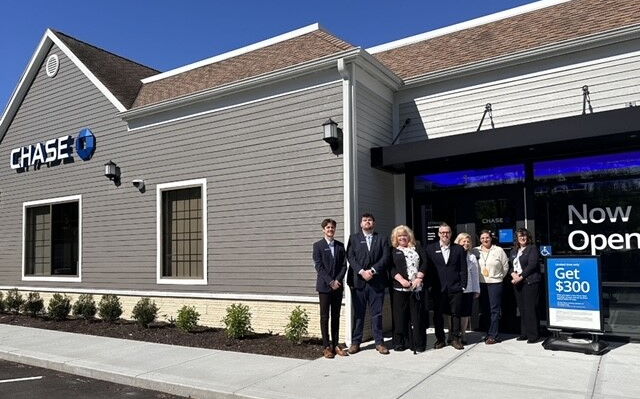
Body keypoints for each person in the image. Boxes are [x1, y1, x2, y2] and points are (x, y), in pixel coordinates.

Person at [347, 213, 390, 355]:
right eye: (364, 220)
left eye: (370, 220)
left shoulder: (382, 238)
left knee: (377, 314)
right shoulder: (354, 238)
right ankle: (355, 343)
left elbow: (386, 257)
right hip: (359, 282)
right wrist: (361, 271)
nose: (367, 222)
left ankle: (379, 342)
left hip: (376, 282)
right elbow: (350, 257)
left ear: (374, 223)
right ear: (361, 224)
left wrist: (372, 270)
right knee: (359, 313)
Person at [425, 223, 468, 350]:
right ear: (438, 234)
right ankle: (440, 339)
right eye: (442, 232)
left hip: (455, 288)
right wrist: (428, 286)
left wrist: (463, 285)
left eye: (447, 232)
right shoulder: (430, 249)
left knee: (456, 314)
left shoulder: (458, 249)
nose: (445, 234)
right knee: (438, 315)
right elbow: (428, 269)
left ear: (451, 234)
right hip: (438, 288)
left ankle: (455, 339)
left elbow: (463, 269)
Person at [313, 218, 348, 358]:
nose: (330, 229)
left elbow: (344, 265)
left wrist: (337, 280)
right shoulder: (318, 246)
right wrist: (330, 281)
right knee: (324, 316)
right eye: (328, 227)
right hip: (324, 287)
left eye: (332, 227)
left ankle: (335, 345)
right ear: (323, 230)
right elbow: (319, 266)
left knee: (335, 316)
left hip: (337, 287)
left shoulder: (340, 246)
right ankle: (326, 346)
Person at [390, 225, 426, 352]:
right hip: (400, 289)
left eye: (404, 235)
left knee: (416, 317)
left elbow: (424, 262)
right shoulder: (393, 250)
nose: (402, 238)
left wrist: (419, 278)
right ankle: (400, 343)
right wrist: (402, 280)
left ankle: (418, 344)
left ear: (409, 236)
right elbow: (391, 268)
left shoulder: (417, 247)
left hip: (416, 288)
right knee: (400, 317)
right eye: (399, 236)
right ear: (396, 238)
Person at [476, 230, 509, 345]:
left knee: (494, 310)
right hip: (481, 283)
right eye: (482, 238)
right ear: (480, 239)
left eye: (487, 238)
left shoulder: (498, 250)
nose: (485, 240)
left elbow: (505, 266)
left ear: (491, 238)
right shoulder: (476, 250)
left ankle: (493, 335)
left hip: (495, 283)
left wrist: (497, 277)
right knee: (485, 310)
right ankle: (487, 333)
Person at [510, 227, 541, 343]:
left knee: (530, 309)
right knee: (522, 309)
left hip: (530, 282)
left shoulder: (532, 249)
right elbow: (510, 265)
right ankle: (524, 333)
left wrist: (520, 277)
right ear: (517, 239)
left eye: (524, 236)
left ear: (528, 237)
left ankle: (533, 335)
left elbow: (532, 265)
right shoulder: (514, 251)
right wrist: (513, 274)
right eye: (520, 236)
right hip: (518, 283)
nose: (522, 238)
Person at [454, 232, 480, 345]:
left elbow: (475, 274)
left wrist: (476, 289)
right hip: (454, 288)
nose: (466, 243)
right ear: (458, 242)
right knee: (454, 313)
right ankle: (452, 334)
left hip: (468, 289)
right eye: (463, 241)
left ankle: (463, 334)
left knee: (465, 313)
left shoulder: (472, 257)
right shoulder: (453, 255)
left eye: (468, 241)